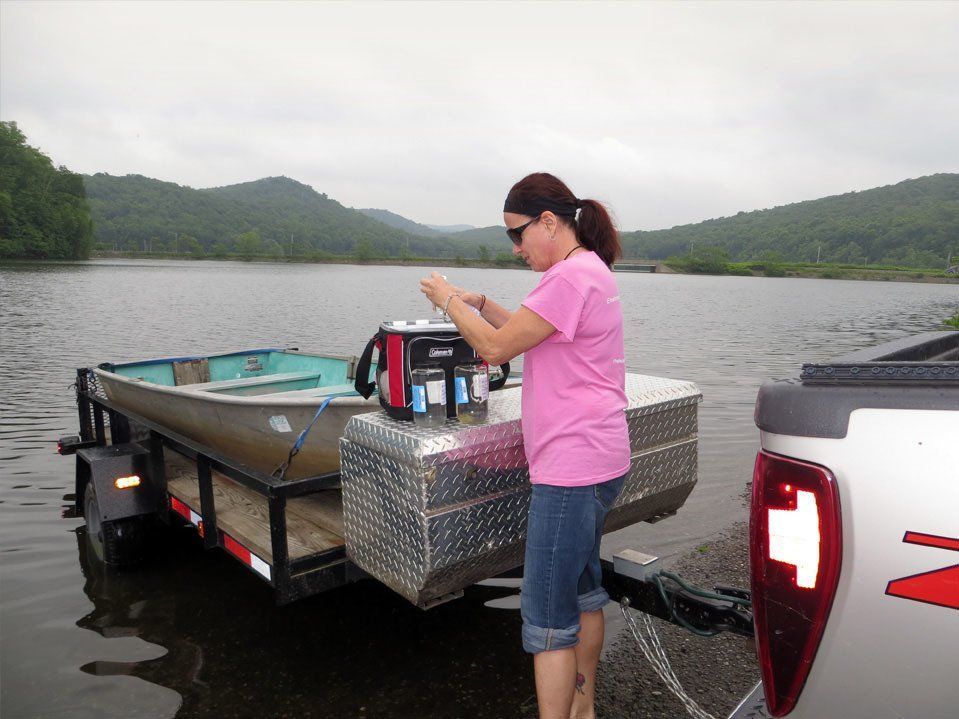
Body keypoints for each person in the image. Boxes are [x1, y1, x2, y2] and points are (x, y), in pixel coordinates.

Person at [419, 172, 629, 719]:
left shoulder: (565, 278)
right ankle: (585, 709)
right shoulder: (589, 272)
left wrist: (446, 300)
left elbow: (491, 349)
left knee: (546, 619)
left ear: (549, 223)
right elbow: (526, 332)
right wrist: (482, 300)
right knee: (582, 594)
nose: (516, 248)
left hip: (570, 469)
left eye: (519, 234)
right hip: (601, 460)